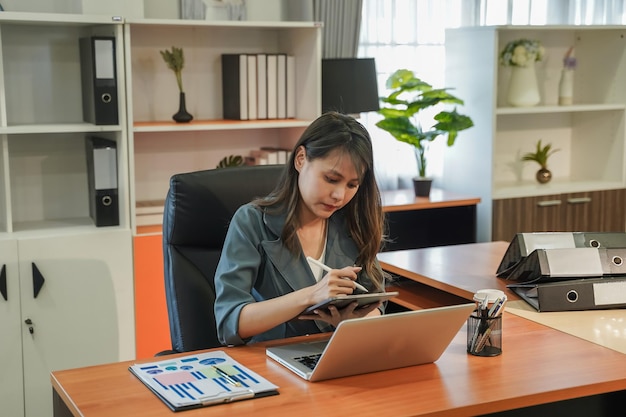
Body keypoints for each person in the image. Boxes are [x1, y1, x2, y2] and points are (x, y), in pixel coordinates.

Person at [214, 111, 388, 346]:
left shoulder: (352, 224)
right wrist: (311, 295)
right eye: (331, 179)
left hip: (335, 355)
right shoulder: (251, 222)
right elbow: (229, 323)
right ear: (300, 159)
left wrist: (353, 320)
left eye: (352, 185)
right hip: (270, 363)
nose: (339, 195)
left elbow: (376, 304)